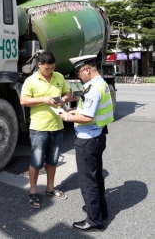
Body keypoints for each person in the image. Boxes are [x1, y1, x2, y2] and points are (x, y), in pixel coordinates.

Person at [58, 55, 114, 232]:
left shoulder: (92, 89)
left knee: (87, 181)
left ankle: (94, 221)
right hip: (98, 136)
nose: (79, 76)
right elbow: (92, 110)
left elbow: (87, 117)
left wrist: (67, 116)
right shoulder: (101, 84)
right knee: (96, 176)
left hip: (87, 140)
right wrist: (76, 109)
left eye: (79, 72)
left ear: (87, 70)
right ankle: (100, 211)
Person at [20, 51, 71, 209]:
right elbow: (23, 101)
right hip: (39, 128)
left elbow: (67, 93)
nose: (50, 71)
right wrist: (43, 99)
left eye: (52, 68)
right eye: (46, 68)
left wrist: (64, 99)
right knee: (36, 162)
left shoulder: (59, 77)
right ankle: (33, 191)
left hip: (57, 126)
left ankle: (50, 188)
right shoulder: (31, 80)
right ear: (39, 65)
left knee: (52, 160)